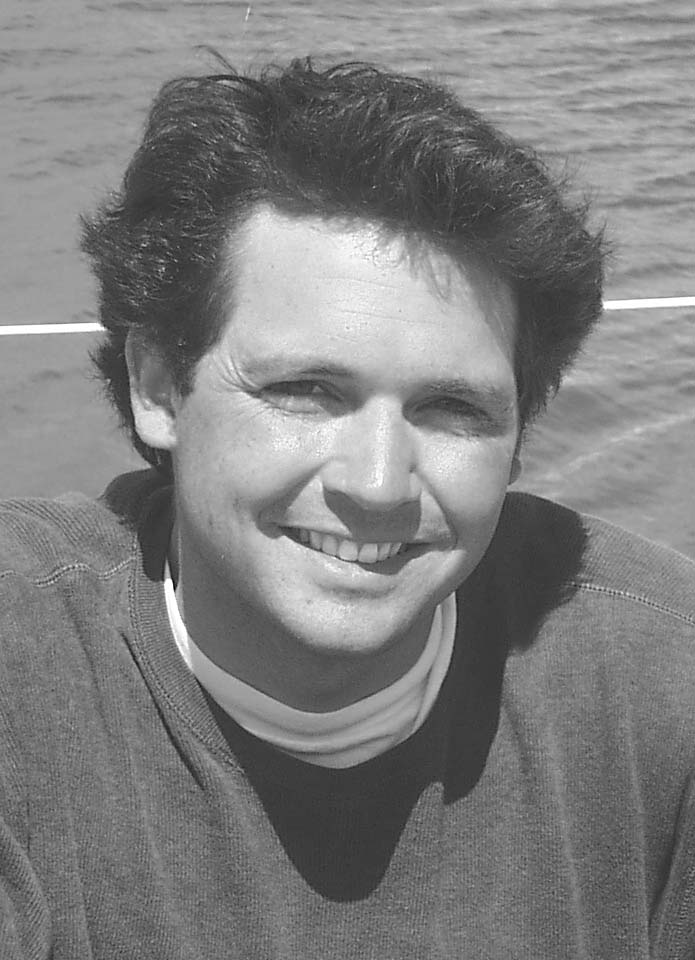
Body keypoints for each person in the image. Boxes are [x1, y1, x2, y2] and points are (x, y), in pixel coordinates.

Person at [1, 58, 693, 960]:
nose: (376, 486)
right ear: (159, 387)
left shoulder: (661, 677)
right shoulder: (24, 667)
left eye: (452, 409)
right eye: (306, 391)